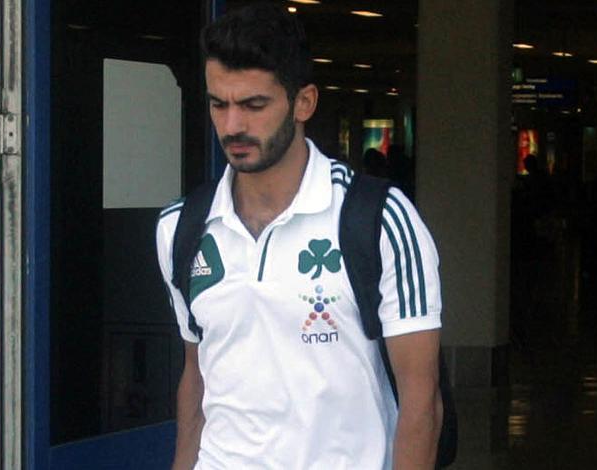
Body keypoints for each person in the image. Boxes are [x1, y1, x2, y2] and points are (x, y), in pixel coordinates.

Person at [155, 4, 443, 469]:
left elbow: (421, 402)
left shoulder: (378, 220)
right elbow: (197, 374)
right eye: (218, 104)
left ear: (304, 102)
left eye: (254, 105)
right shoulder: (181, 227)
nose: (232, 126)